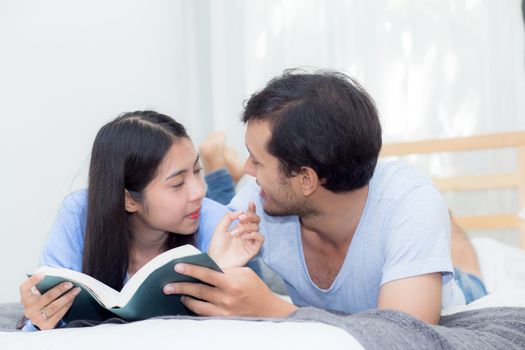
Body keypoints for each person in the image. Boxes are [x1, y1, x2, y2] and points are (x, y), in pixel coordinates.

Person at [164, 70, 479, 324]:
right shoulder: (261, 201)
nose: (247, 170)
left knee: (471, 278)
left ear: (306, 180)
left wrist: (276, 310)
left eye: (257, 161)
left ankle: (459, 245)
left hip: (455, 294)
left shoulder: (409, 205)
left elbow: (405, 337)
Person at [19, 111, 263, 331]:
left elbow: (250, 323)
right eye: (177, 183)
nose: (199, 191)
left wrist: (225, 271)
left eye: (197, 171)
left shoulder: (216, 219)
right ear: (128, 200)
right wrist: (40, 319)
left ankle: (219, 171)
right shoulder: (79, 213)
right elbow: (42, 319)